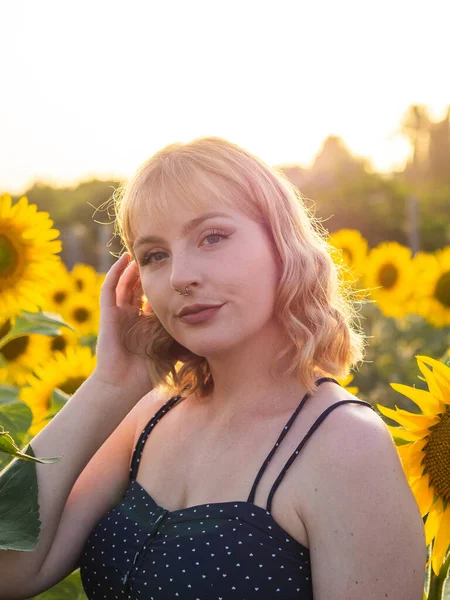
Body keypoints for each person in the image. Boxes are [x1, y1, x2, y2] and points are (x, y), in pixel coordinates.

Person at [0, 137, 426, 599]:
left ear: (281, 243)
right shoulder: (145, 418)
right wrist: (110, 384)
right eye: (155, 256)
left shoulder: (345, 444)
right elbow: (9, 569)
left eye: (212, 237)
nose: (181, 276)